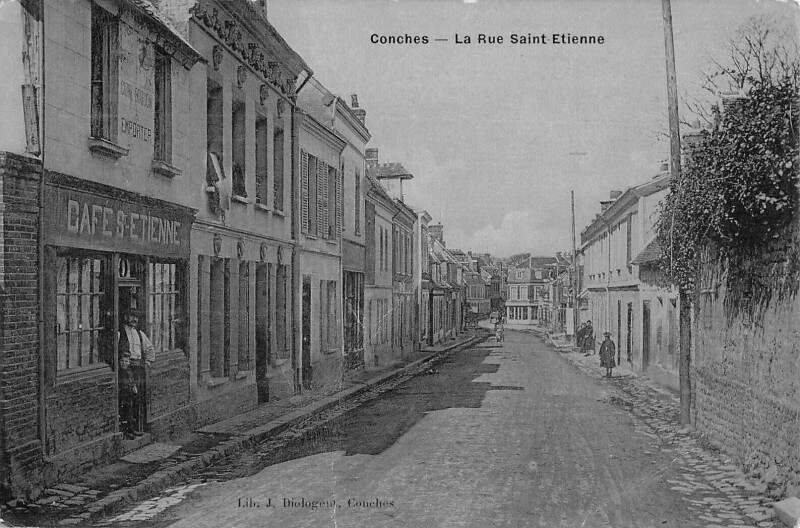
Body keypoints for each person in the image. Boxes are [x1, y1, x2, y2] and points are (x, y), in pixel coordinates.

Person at [118, 298, 155, 438]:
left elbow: (150, 349)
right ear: (125, 317)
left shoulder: (139, 334)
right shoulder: (120, 332)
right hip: (125, 370)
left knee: (136, 397)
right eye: (131, 316)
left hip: (137, 369)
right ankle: (126, 429)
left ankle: (133, 427)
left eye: (136, 317)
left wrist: (147, 364)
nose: (134, 319)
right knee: (126, 398)